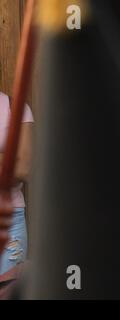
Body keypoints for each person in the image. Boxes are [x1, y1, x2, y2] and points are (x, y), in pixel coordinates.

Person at [0, 92, 34, 282]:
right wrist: (7, 158)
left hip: (8, 221)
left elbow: (23, 167)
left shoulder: (16, 108)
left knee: (8, 291)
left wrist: (16, 163)